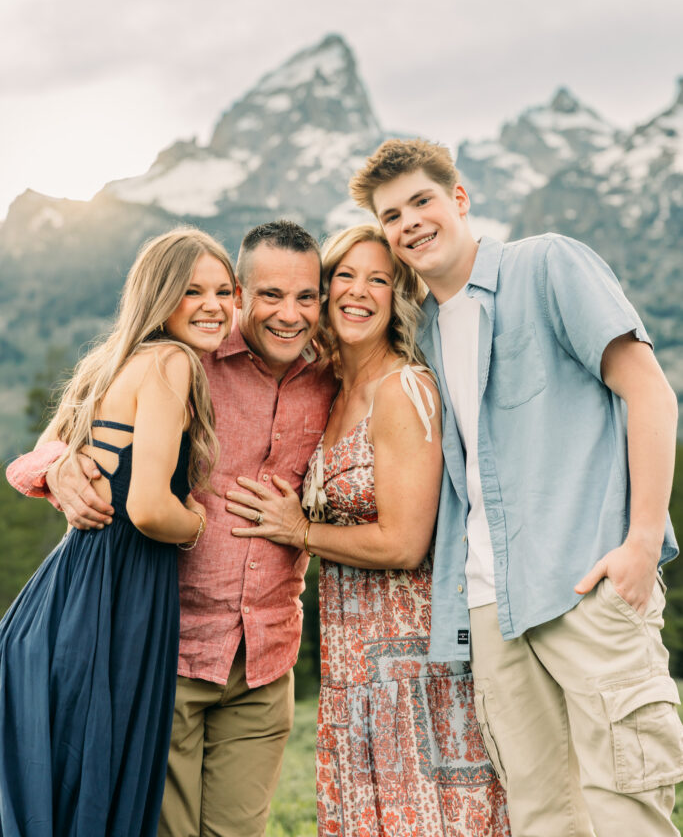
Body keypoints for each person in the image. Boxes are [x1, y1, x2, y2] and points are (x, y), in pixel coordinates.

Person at [346, 138, 683, 835]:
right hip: (493, 610)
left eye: (420, 201)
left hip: (584, 581)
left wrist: (641, 544)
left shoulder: (546, 264)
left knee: (627, 806)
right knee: (541, 817)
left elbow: (649, 391)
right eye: (390, 216)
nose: (407, 222)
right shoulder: (432, 332)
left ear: (458, 199)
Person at [7, 220, 338, 837]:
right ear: (243, 292)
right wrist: (60, 469)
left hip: (264, 658)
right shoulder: (187, 356)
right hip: (167, 648)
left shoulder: (330, 377)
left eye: (306, 297)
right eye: (269, 295)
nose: (289, 314)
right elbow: (46, 446)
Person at [227, 223, 510, 837]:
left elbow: (405, 543)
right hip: (351, 659)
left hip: (412, 662)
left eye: (378, 279)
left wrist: (299, 531)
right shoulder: (328, 385)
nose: (359, 292)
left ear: (397, 294)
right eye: (345, 278)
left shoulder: (403, 389)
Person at [1, 227, 235, 837]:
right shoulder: (172, 362)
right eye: (192, 291)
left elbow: (44, 453)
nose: (214, 304)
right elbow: (151, 509)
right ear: (160, 297)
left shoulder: (117, 360)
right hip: (116, 595)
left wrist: (54, 467)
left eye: (224, 290)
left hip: (71, 591)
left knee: (62, 789)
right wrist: (199, 521)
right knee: (98, 790)